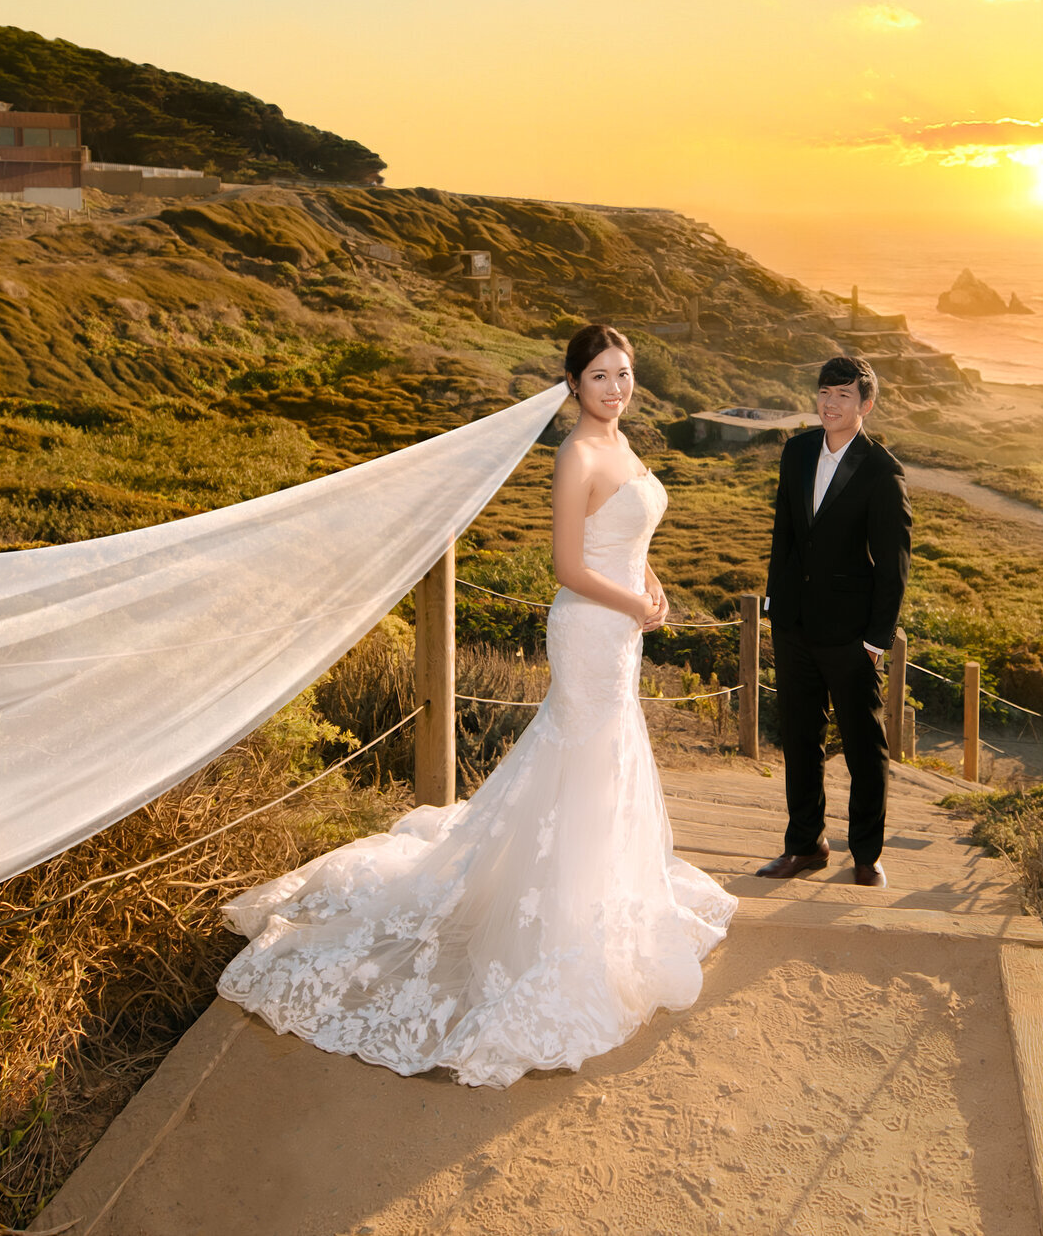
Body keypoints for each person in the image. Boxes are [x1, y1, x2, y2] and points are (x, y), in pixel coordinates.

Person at [216, 324, 735, 1087]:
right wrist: (632, 601)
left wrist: (649, 583)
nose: (615, 388)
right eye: (600, 376)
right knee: (584, 755)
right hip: (592, 629)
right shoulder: (576, 453)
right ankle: (557, 920)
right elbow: (565, 563)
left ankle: (597, 895)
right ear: (573, 384)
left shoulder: (622, 445)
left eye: (624, 374)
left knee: (607, 759)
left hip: (624, 628)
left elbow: (625, 532)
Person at [755, 354, 912, 888]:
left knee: (864, 747)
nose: (830, 403)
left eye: (843, 395)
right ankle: (805, 845)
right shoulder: (797, 451)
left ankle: (866, 854)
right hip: (795, 625)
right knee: (800, 738)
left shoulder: (882, 471)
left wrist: (875, 641)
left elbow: (893, 565)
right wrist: (775, 607)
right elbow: (785, 534)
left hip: (851, 635)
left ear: (865, 405)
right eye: (825, 392)